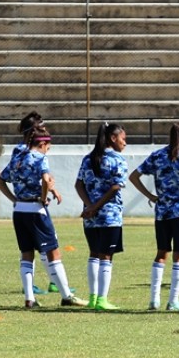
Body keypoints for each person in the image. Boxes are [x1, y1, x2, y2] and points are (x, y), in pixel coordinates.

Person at [0, 125, 87, 308]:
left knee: (27, 253)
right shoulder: (40, 158)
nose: (48, 150)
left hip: (19, 210)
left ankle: (29, 299)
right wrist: (44, 198)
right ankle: (67, 296)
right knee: (53, 252)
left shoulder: (17, 158)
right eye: (48, 146)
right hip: (35, 209)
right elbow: (46, 179)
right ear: (43, 144)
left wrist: (14, 198)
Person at [129, 122, 179, 311]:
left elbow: (133, 176)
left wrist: (151, 196)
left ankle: (154, 300)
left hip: (162, 212)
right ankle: (173, 300)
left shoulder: (157, 156)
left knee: (162, 252)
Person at [74, 122, 128, 311]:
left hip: (90, 216)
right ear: (113, 138)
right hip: (109, 215)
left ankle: (92, 297)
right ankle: (102, 300)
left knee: (94, 254)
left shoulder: (89, 158)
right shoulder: (117, 159)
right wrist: (96, 207)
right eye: (123, 139)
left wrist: (89, 207)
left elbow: (78, 185)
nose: (125, 143)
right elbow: (115, 187)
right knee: (106, 256)